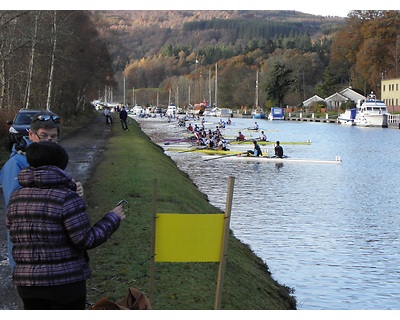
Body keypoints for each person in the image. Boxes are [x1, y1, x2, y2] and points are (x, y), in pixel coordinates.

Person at [6, 141, 126, 310]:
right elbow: (85, 240)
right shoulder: (66, 197)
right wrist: (112, 218)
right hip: (65, 285)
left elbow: (12, 229)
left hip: (27, 285)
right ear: (61, 166)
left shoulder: (16, 197)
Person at [0, 110, 84, 272]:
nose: (49, 141)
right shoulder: (15, 164)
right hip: (27, 253)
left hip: (52, 249)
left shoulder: (53, 159)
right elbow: (16, 211)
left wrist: (74, 191)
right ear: (31, 134)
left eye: (53, 137)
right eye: (43, 136)